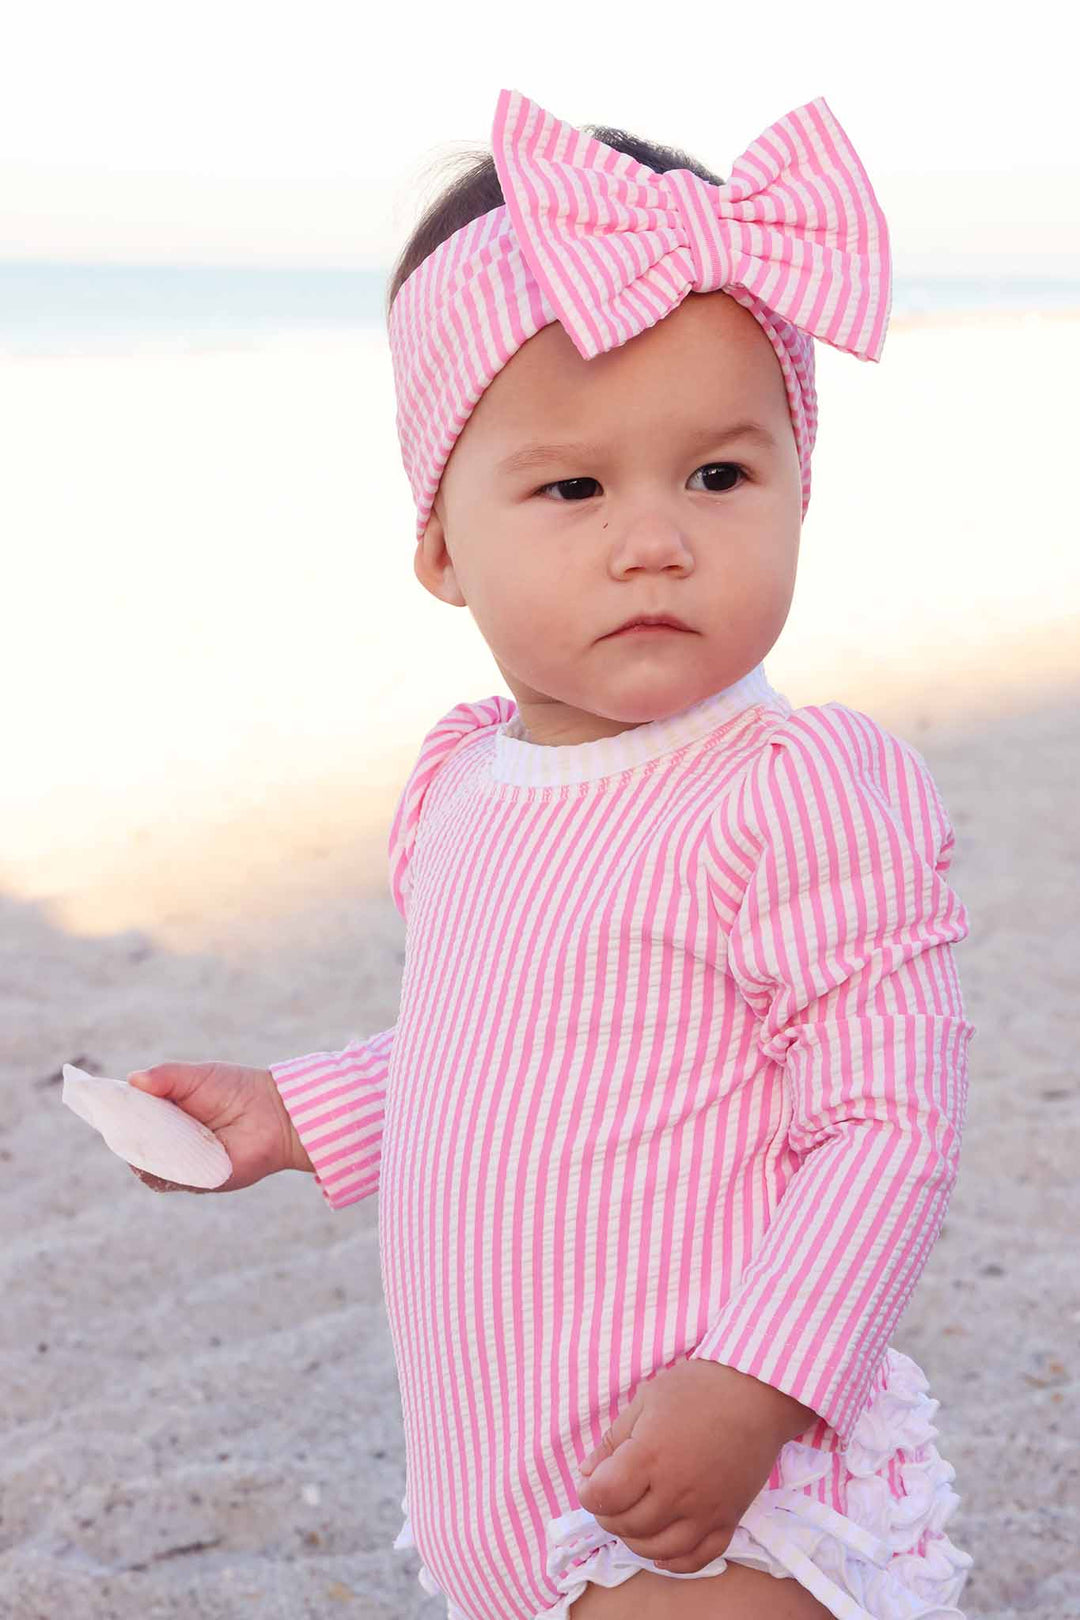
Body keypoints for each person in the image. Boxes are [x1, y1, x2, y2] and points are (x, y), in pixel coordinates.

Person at [127, 89, 978, 1620]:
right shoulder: (464, 787)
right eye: (574, 486)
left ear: (799, 484)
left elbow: (885, 1125)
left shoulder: (795, 789)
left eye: (718, 476)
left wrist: (757, 1382)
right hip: (509, 1474)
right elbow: (513, 1044)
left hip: (723, 1484)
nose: (654, 538)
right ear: (441, 545)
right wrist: (299, 1110)